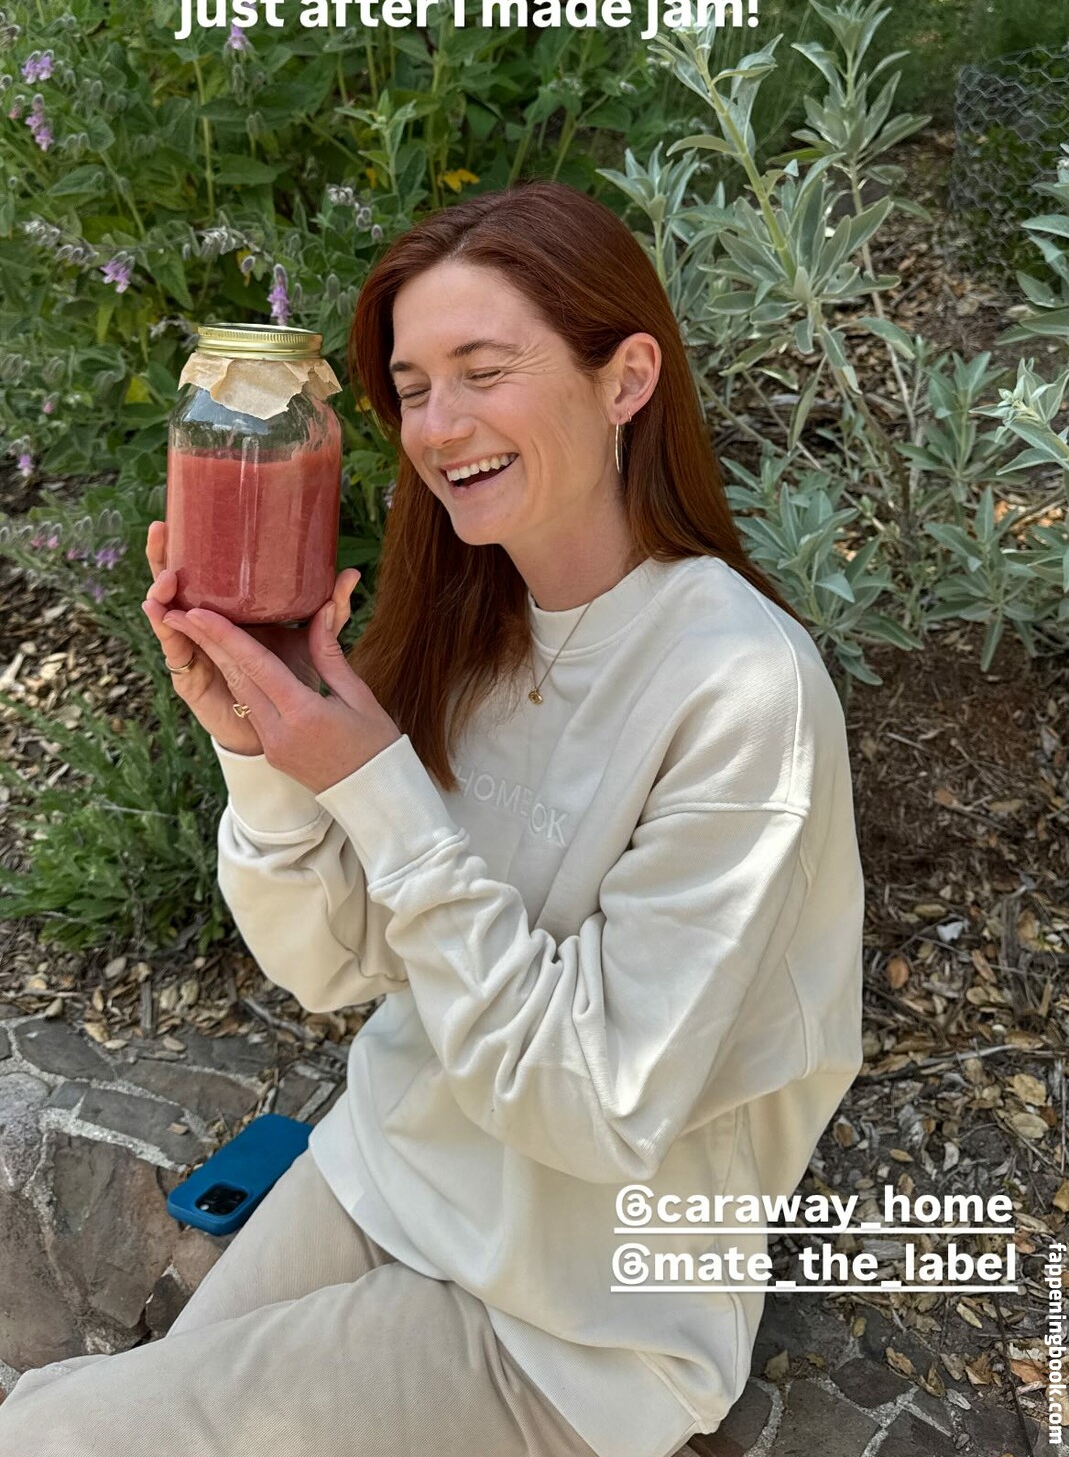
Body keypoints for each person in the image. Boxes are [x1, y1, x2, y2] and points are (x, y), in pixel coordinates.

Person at [0, 179, 864, 1457]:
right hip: (384, 1176)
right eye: (411, 388)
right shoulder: (472, 628)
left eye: (484, 371)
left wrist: (378, 787)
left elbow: (598, 1106)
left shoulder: (743, 690)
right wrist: (263, 755)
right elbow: (334, 964)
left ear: (626, 379)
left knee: (57, 1438)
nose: (439, 425)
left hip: (574, 1322)